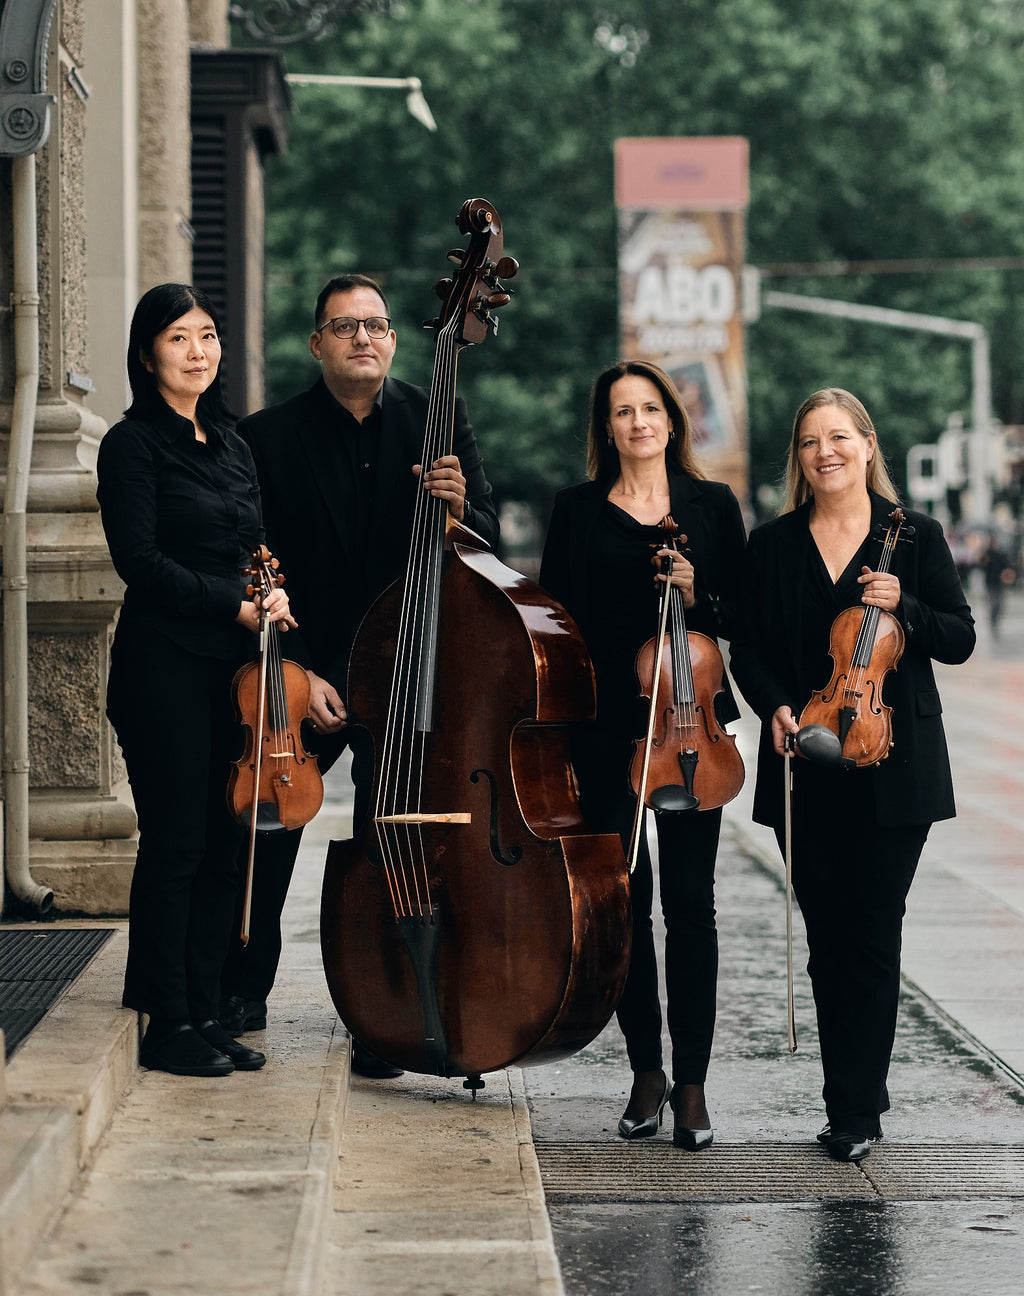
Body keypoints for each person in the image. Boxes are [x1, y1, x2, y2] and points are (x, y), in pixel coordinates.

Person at [219, 273, 499, 1072]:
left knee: (393, 841)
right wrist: (301, 674)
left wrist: (460, 512)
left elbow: (487, 530)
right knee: (270, 833)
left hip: (405, 667)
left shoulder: (436, 416)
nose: (363, 338)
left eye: (375, 325)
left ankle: (386, 1014)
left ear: (396, 339)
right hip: (307, 669)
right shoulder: (267, 437)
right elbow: (251, 559)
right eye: (344, 327)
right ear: (317, 344)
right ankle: (243, 990)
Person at [730, 388, 975, 1163]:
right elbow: (750, 649)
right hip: (805, 762)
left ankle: (854, 1107)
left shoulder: (915, 537)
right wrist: (772, 706)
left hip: (894, 761)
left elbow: (960, 637)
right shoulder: (771, 545)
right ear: (798, 459)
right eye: (810, 441)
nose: (825, 452)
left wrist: (908, 609)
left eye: (840, 437)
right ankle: (859, 1082)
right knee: (828, 934)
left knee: (871, 930)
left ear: (869, 447)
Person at [539, 360, 747, 1149]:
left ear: (672, 419)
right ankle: (646, 1071)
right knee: (627, 903)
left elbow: (741, 614)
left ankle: (691, 1081)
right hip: (606, 734)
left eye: (649, 408)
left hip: (690, 731)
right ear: (607, 427)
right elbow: (556, 626)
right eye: (622, 411)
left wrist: (699, 594)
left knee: (693, 906)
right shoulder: (577, 511)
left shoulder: (711, 506)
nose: (638, 422)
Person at [97, 284, 295, 1078]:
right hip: (164, 667)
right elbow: (139, 563)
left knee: (225, 845)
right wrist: (234, 605)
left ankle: (206, 1010)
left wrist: (273, 593)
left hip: (235, 672)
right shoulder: (131, 445)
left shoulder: (233, 443)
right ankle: (164, 1018)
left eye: (208, 335)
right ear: (150, 354)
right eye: (180, 338)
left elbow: (253, 546)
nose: (199, 351)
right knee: (176, 843)